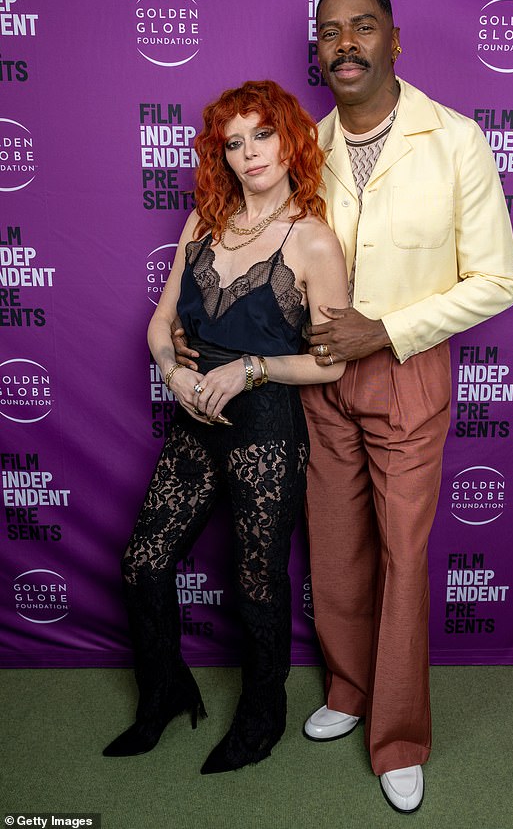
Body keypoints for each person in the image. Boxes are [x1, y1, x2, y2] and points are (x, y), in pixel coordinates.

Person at [173, 0, 513, 812]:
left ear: (395, 41)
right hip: (316, 382)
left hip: (405, 371)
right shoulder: (305, 146)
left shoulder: (457, 140)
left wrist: (386, 330)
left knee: (400, 558)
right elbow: (259, 259)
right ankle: (349, 690)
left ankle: (398, 736)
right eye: (331, 32)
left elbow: (497, 281)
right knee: (333, 550)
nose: (347, 42)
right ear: (318, 51)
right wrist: (198, 336)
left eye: (365, 27)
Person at [102, 80, 348, 774]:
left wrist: (252, 370)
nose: (249, 154)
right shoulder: (205, 219)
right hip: (195, 421)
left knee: (259, 581)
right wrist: (172, 374)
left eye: (261, 135)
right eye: (233, 143)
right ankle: (163, 693)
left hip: (266, 429)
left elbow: (329, 365)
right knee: (143, 562)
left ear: (290, 138)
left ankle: (262, 714)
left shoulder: (314, 241)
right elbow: (161, 323)